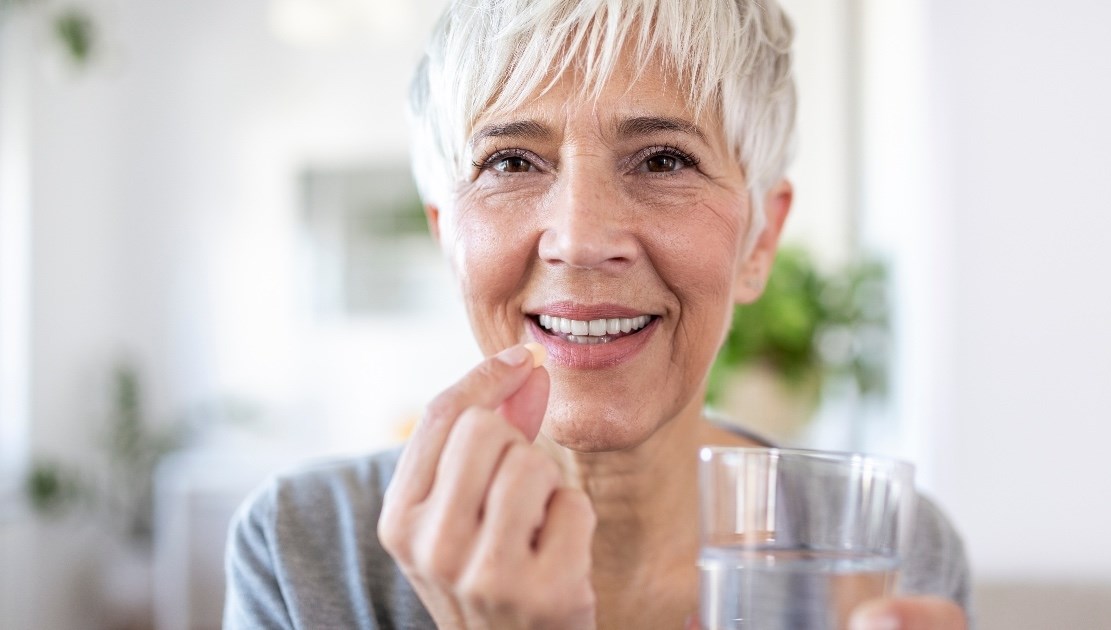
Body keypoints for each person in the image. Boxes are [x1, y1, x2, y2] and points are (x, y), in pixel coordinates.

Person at [224, 0, 971, 628]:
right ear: (447, 236)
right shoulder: (300, 551)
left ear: (759, 240)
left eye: (663, 160)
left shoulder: (887, 550)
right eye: (511, 162)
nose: (580, 240)